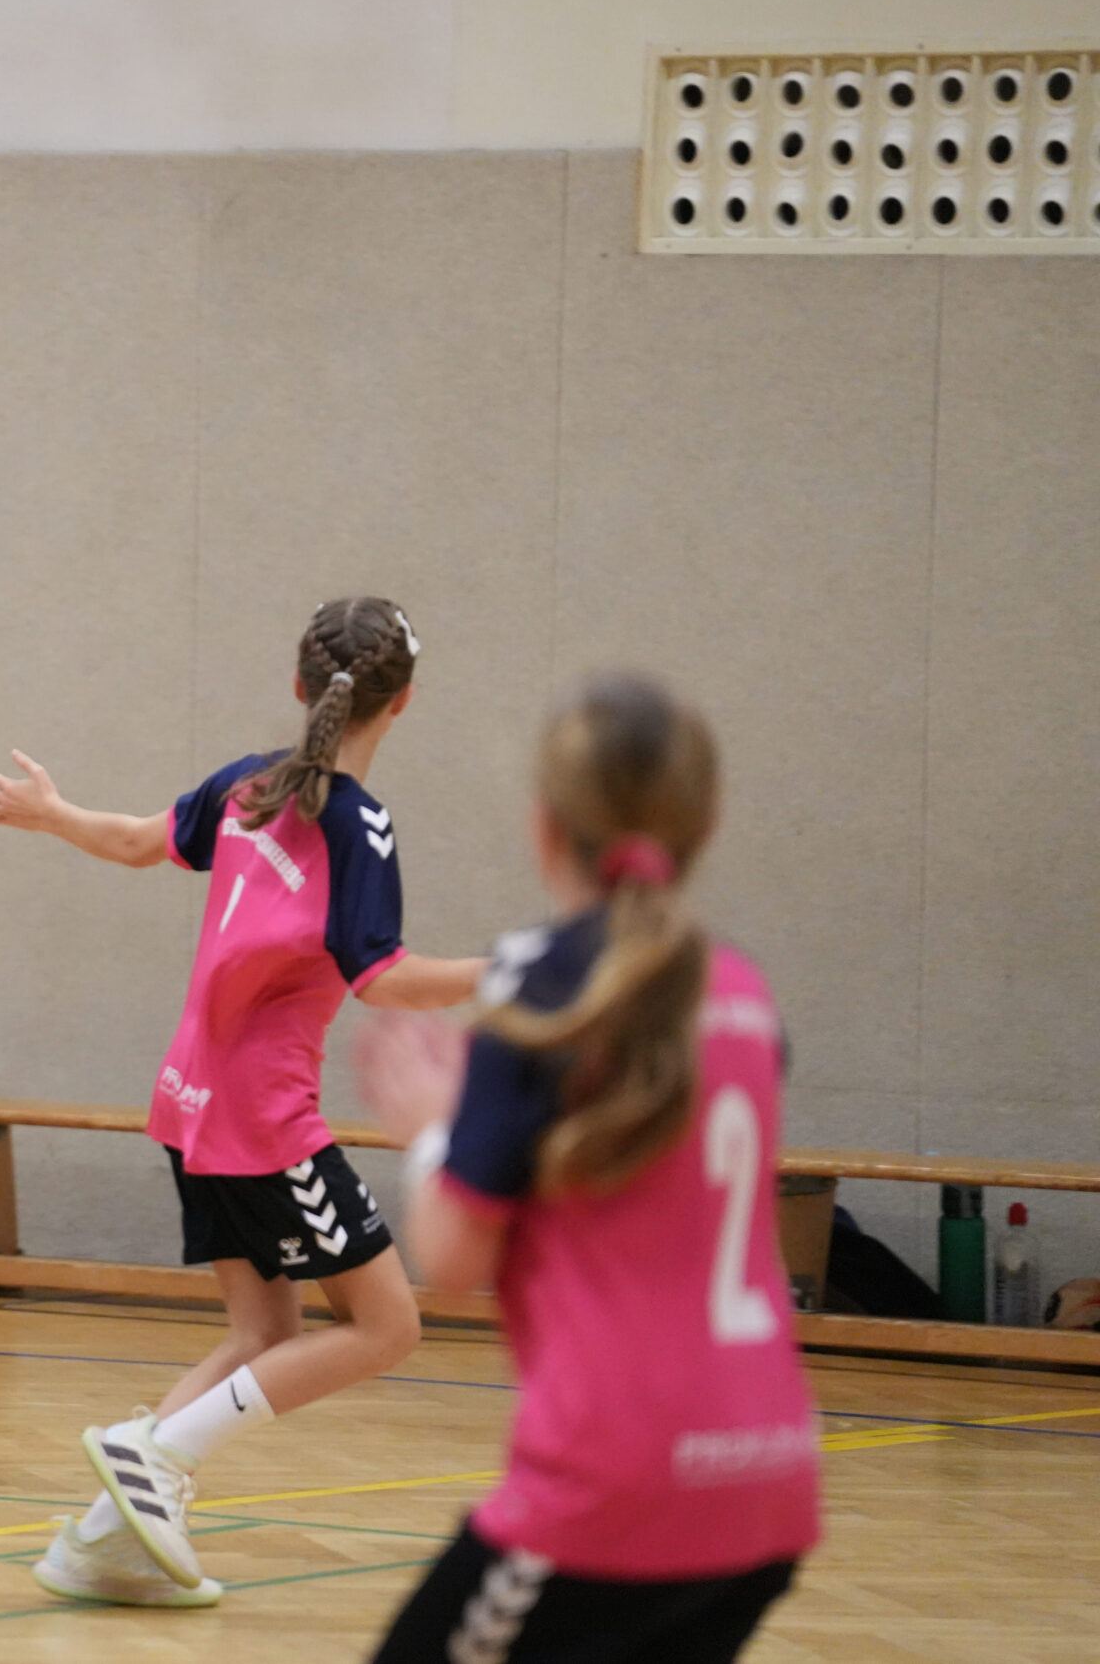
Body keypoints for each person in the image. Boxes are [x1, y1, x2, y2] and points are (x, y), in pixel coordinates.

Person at [0, 597, 484, 1606]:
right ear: (404, 702)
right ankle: (151, 1450)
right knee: (388, 1327)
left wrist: (53, 814)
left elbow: (136, 842)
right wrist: (506, 976)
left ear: (299, 686)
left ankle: (98, 1545)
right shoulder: (359, 825)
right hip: (266, 1123)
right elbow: (383, 978)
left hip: (187, 1102)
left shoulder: (248, 785)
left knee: (262, 1335)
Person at [354, 673, 818, 1664]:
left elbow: (456, 1258)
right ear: (705, 824)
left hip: (621, 1484)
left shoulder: (542, 981)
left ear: (544, 825)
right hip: (770, 1476)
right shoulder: (742, 987)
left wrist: (433, 1131)